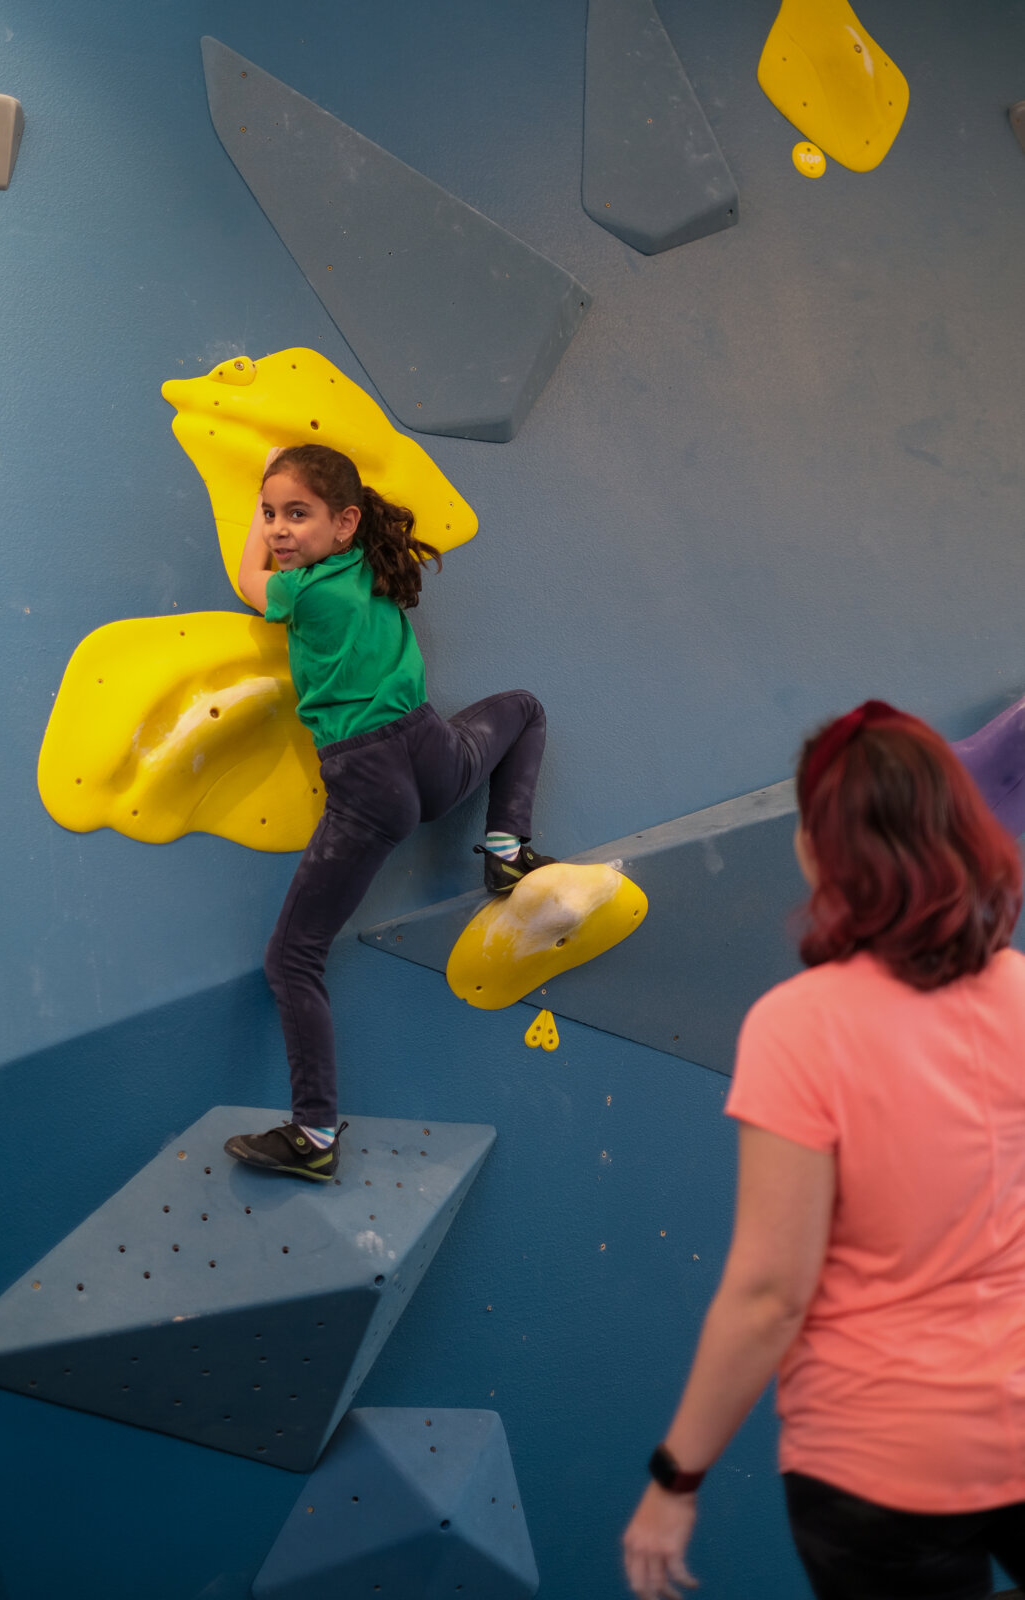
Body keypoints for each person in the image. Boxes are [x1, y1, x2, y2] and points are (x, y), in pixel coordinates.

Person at [622, 699, 1025, 1600]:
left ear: (818, 850)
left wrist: (675, 1479)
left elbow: (769, 1296)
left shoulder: (799, 1028)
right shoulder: (1020, 994)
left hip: (877, 1464)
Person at [223, 443, 552, 1182]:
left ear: (343, 523)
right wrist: (291, 499)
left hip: (369, 784)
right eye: (270, 513)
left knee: (291, 958)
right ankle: (506, 847)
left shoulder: (302, 591)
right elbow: (317, 539)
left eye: (294, 515)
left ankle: (313, 1134)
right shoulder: (371, 567)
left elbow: (248, 581)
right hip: (431, 754)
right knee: (523, 709)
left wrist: (251, 505)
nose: (277, 529)